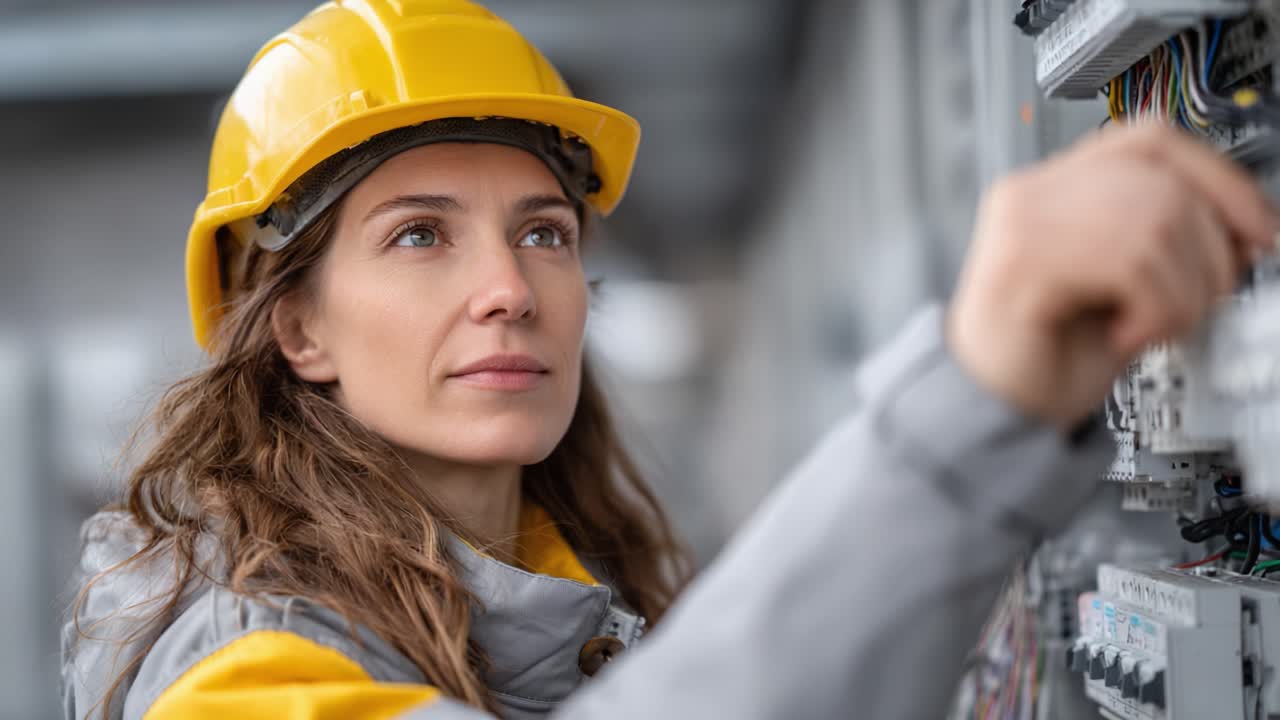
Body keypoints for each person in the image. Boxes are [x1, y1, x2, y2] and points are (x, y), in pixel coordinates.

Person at [60, 1, 1280, 719]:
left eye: (542, 232)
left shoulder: (564, 588)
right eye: (419, 235)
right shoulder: (236, 669)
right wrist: (959, 425)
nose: (507, 289)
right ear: (296, 328)